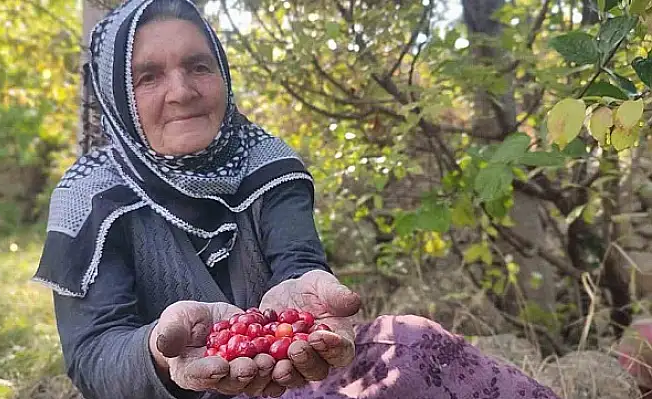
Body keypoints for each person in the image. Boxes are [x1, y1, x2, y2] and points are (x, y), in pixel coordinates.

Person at [32, 0, 561, 398]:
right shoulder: (91, 198)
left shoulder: (266, 164)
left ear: (222, 73)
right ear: (117, 96)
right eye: (148, 76)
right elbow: (92, 353)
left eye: (198, 66)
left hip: (291, 383)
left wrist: (303, 296)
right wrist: (160, 355)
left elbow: (298, 267)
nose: (182, 91)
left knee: (412, 344)